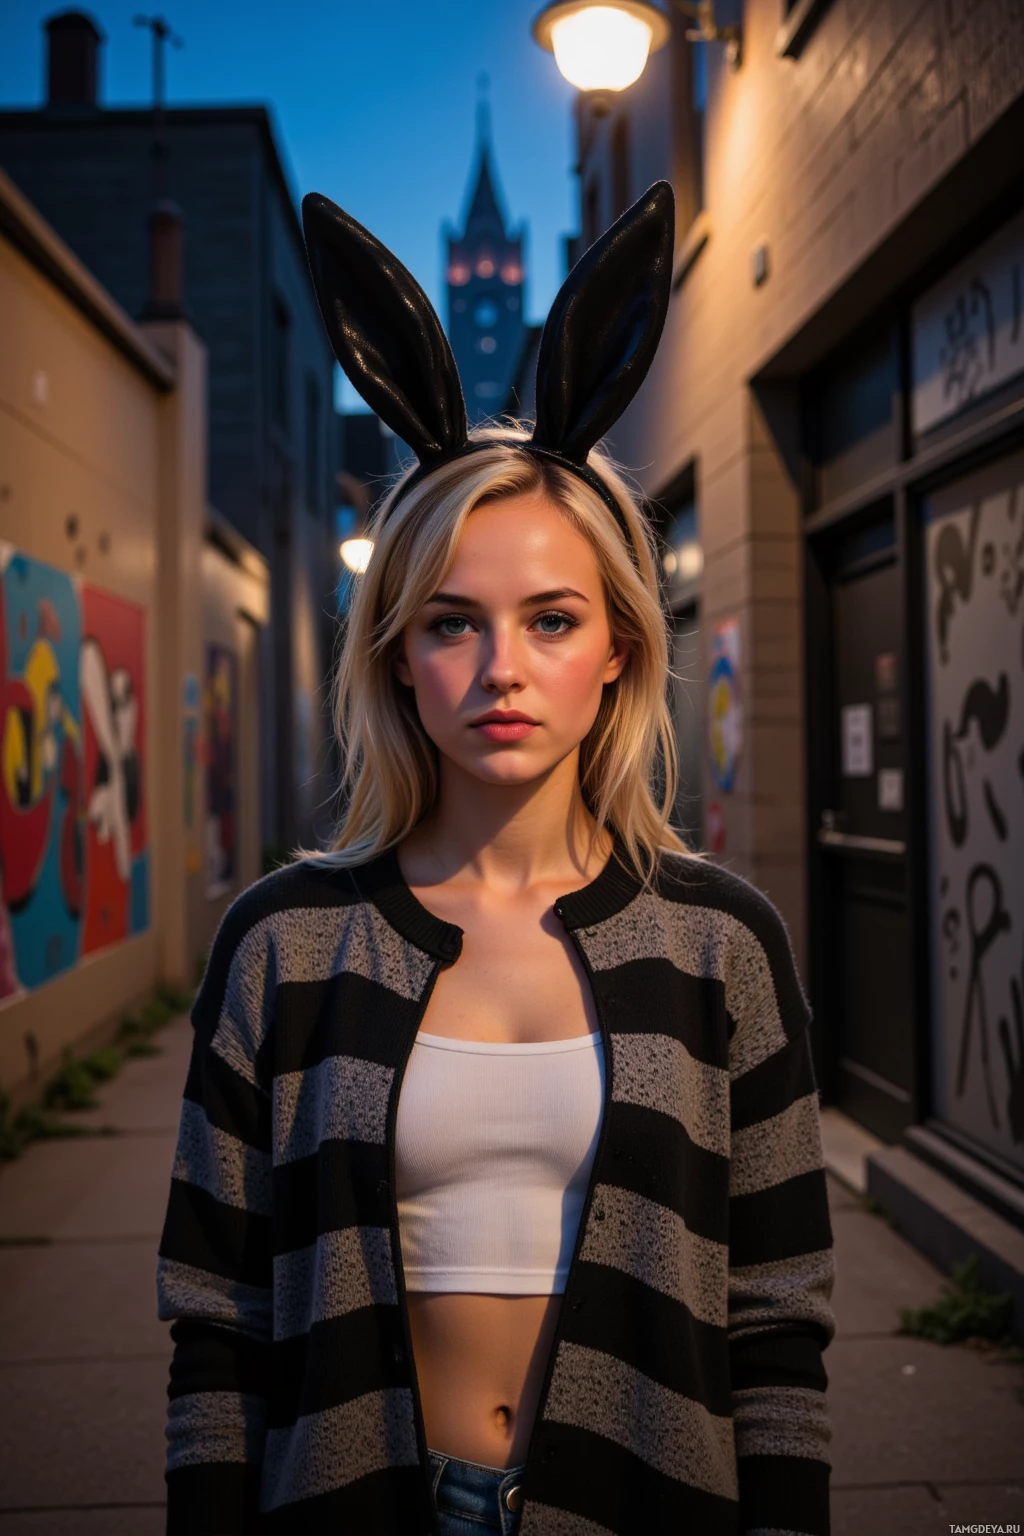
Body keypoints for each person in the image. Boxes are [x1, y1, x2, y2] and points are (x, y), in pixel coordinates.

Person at [156, 182, 836, 1536]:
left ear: (621, 650)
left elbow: (776, 1323)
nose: (501, 671)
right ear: (399, 661)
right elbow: (215, 1323)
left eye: (553, 618)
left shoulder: (722, 945)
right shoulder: (284, 945)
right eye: (453, 623)